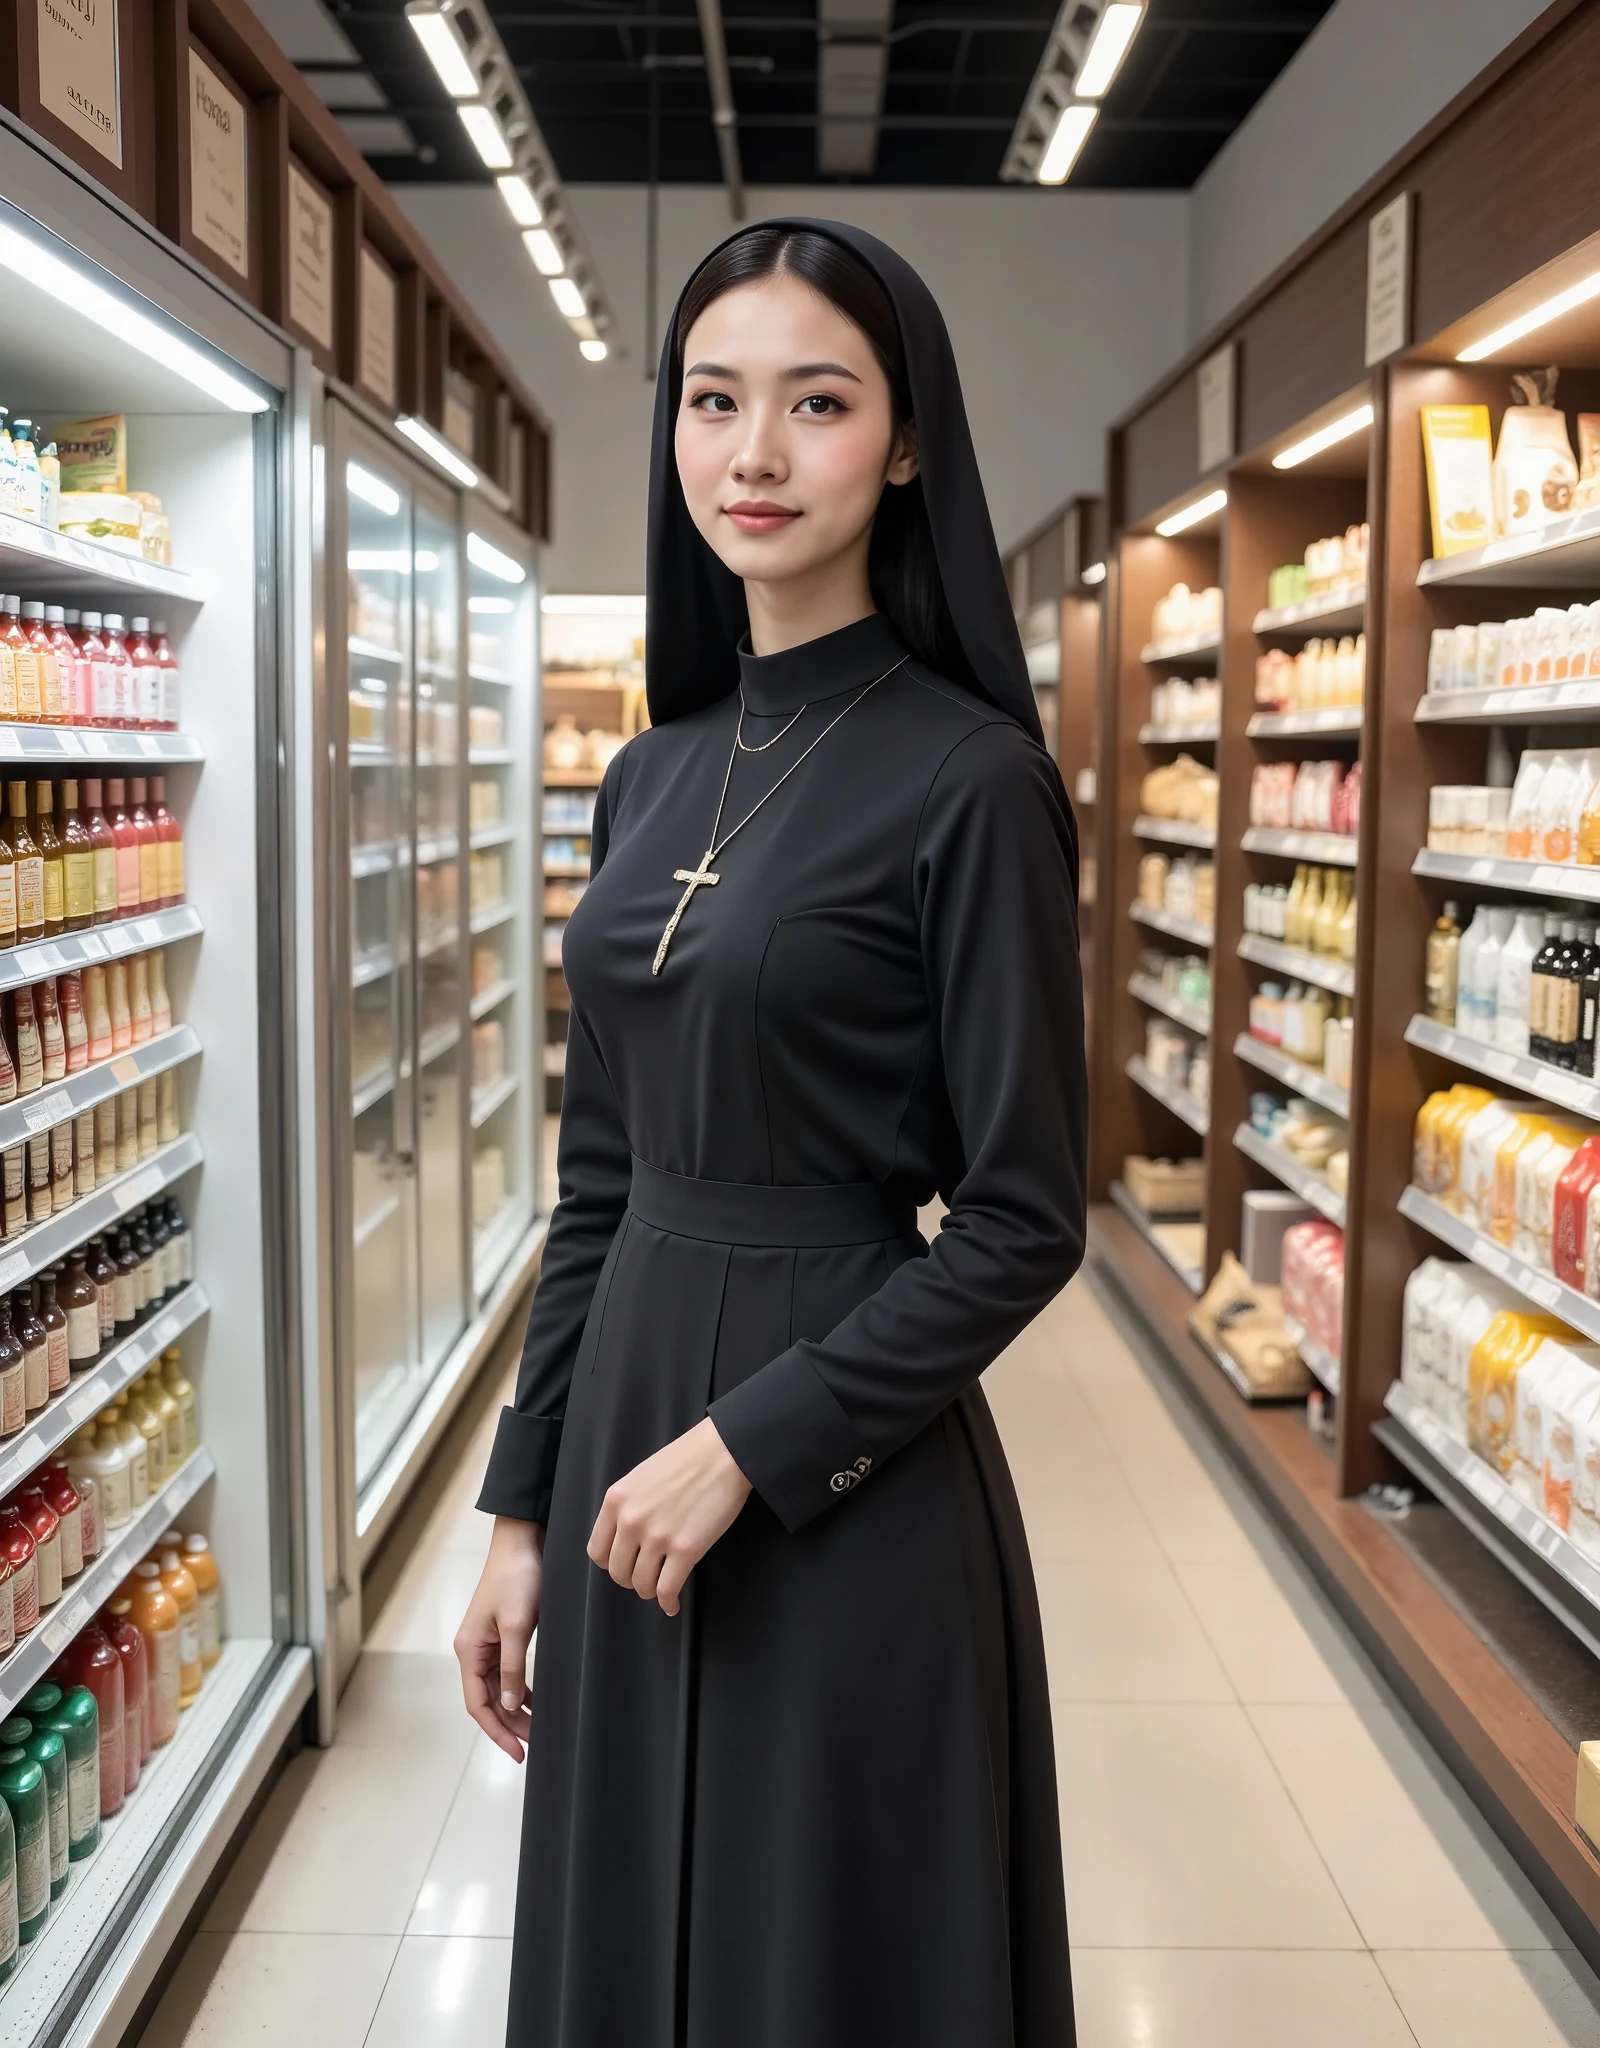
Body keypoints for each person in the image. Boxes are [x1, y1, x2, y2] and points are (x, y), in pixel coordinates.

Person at [455, 217, 1086, 2047]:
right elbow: (599, 1177)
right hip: (619, 1442)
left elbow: (1024, 1218)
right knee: (627, 1939)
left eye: (816, 404)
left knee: (808, 1966)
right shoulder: (652, 770)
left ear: (903, 445)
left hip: (840, 1477)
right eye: (713, 400)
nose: (753, 454)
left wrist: (752, 1444)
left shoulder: (971, 782)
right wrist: (519, 1503)